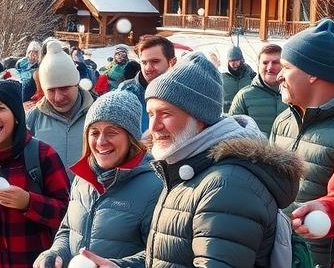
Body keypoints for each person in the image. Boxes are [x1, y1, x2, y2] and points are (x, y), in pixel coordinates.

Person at [87, 52, 303, 267]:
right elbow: (173, 255)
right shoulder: (188, 168)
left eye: (165, 114)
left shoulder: (226, 185)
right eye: (151, 114)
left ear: (200, 117)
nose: (153, 127)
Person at [33, 91, 160, 267]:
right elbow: (68, 229)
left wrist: (120, 265)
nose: (101, 141)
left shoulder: (155, 185)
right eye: (94, 132)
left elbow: (161, 254)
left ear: (130, 137)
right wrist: (56, 253)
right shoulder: (82, 178)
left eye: (111, 132)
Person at [0, 79, 70, 267]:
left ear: (16, 116)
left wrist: (28, 202)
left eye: (0, 108)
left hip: (34, 262)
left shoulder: (43, 155)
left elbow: (67, 215)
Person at [270, 19, 334, 266]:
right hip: (280, 254)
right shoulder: (283, 121)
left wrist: (326, 211)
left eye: (286, 67)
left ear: (313, 74)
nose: (279, 76)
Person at [26, 41, 93, 180]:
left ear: (76, 83)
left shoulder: (97, 115)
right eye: (50, 90)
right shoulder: (32, 118)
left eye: (64, 88)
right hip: (48, 199)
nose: (58, 97)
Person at [118, 35, 177, 132]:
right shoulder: (126, 93)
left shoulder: (184, 93)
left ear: (172, 62)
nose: (148, 68)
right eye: (144, 62)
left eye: (155, 61)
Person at [229, 44, 287, 136]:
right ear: (258, 66)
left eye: (275, 62)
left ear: (284, 65)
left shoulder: (295, 95)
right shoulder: (244, 97)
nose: (269, 67)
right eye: (265, 63)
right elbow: (232, 134)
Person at [222, 45, 256, 112]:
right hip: (228, 114)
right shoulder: (222, 76)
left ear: (242, 60)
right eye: (232, 61)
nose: (234, 64)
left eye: (237, 60)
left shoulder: (250, 74)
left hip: (246, 112)